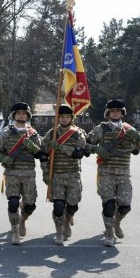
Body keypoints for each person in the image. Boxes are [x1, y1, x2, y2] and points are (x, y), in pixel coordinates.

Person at [86, 99, 140, 246]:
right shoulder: (100, 129)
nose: (115, 113)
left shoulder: (128, 129)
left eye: (118, 111)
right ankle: (109, 232)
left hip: (123, 173)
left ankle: (116, 222)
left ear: (122, 113)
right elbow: (84, 144)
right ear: (108, 113)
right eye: (112, 111)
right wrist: (95, 149)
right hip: (106, 173)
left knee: (125, 206)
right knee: (108, 205)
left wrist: (138, 136)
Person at [0, 102, 46, 245]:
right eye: (19, 113)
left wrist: (33, 146)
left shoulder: (33, 133)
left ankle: (23, 219)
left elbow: (41, 154)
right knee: (13, 202)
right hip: (12, 173)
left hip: (29, 174)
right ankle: (15, 230)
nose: (21, 115)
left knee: (30, 205)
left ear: (28, 115)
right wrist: (3, 158)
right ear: (14, 115)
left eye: (24, 113)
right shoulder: (6, 132)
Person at [40, 105, 87, 245]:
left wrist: (60, 147)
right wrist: (45, 173)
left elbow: (78, 154)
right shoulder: (51, 134)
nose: (64, 119)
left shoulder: (78, 133)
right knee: (58, 205)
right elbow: (43, 155)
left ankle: (68, 218)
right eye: (61, 117)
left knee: (73, 205)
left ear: (72, 118)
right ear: (57, 118)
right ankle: (59, 231)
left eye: (67, 117)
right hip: (57, 175)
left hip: (73, 175)